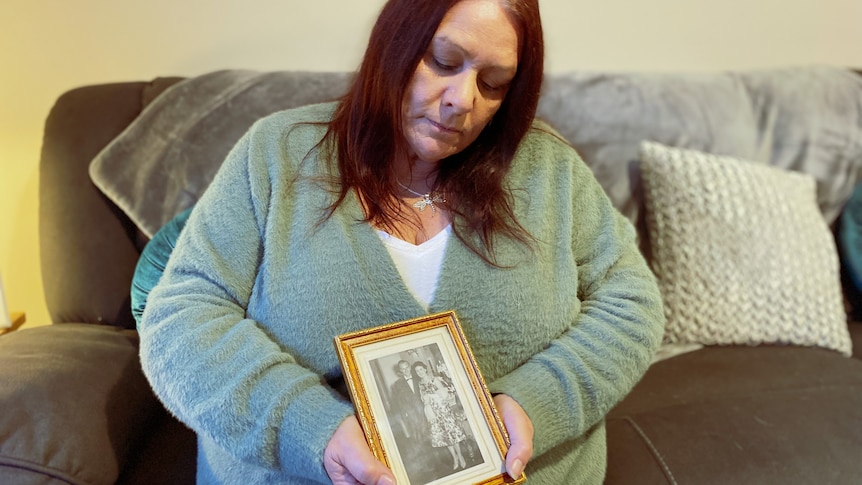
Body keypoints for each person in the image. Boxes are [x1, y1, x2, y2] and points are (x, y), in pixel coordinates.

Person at [138, 0, 665, 483]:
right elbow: (181, 317)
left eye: (495, 82)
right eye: (443, 61)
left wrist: (537, 401)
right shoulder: (276, 154)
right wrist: (310, 429)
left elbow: (632, 302)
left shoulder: (549, 170)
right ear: (394, 43)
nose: (463, 101)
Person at [412, 361, 468, 472]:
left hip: (443, 409)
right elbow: (423, 398)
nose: (419, 372)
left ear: (425, 369)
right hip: (433, 412)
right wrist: (426, 400)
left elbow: (444, 394)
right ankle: (454, 458)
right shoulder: (420, 384)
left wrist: (432, 396)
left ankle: (460, 455)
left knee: (451, 433)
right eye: (417, 371)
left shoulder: (434, 379)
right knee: (444, 436)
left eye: (421, 369)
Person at [388, 360, 428, 450]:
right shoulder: (397, 385)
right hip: (411, 413)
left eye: (407, 368)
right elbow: (397, 402)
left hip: (425, 409)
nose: (406, 370)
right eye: (403, 369)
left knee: (430, 432)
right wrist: (404, 414)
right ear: (400, 371)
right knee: (418, 436)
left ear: (410, 367)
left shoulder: (419, 377)